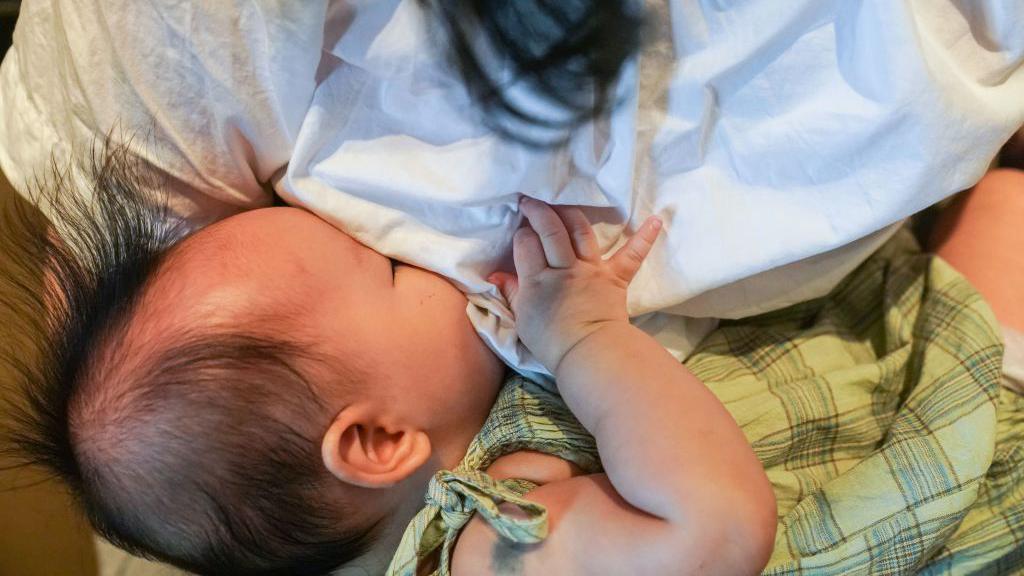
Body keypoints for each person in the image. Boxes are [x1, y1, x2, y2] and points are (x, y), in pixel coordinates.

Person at [2, 146, 776, 576]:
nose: (420, 251)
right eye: (393, 268)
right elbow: (715, 532)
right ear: (377, 441)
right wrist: (587, 337)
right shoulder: (487, 549)